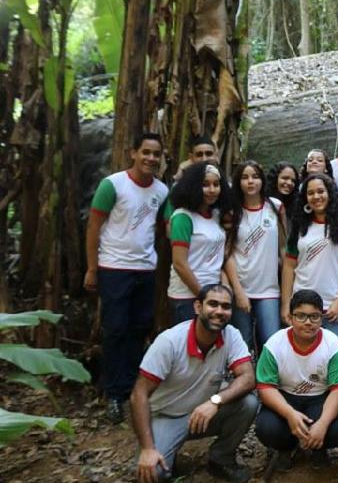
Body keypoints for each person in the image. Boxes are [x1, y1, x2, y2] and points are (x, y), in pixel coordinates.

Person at [131, 284, 257, 483]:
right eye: (213, 304)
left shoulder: (231, 336)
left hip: (203, 412)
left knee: (249, 404)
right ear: (198, 307)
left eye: (226, 306)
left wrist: (215, 401)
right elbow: (139, 394)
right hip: (166, 416)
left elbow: (248, 378)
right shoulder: (170, 342)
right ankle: (161, 453)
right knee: (153, 475)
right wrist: (147, 448)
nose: (219, 311)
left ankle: (221, 458)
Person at [84, 133, 169, 423]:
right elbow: (94, 227)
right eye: (145, 152)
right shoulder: (113, 185)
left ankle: (135, 388)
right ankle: (114, 394)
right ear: (133, 152)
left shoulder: (161, 190)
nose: (151, 158)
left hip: (145, 270)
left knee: (139, 328)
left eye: (156, 154)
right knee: (116, 330)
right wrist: (92, 268)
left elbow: (160, 227)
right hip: (114, 268)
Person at [256, 289, 338, 467]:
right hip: (286, 397)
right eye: (301, 316)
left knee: (337, 428)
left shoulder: (333, 345)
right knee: (266, 427)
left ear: (321, 318)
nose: (308, 323)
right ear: (290, 318)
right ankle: (285, 447)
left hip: (320, 399)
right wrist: (289, 413)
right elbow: (265, 387)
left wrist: (322, 423)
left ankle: (318, 448)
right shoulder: (274, 344)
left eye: (314, 316)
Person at [281, 174, 338, 345]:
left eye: (321, 191)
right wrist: (286, 304)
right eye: (310, 193)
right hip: (302, 305)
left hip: (335, 304)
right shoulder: (299, 227)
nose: (316, 196)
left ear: (330, 193)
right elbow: (289, 266)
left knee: (335, 355)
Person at [225, 160, 286, 351]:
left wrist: (287, 289)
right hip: (241, 287)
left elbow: (284, 249)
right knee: (243, 344)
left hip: (269, 289)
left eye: (255, 177)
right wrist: (238, 292)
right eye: (245, 177)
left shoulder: (275, 206)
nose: (250, 182)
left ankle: (267, 381)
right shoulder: (232, 211)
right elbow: (227, 254)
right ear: (238, 182)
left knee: (272, 342)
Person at [168, 162, 230, 324]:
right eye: (205, 185)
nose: (212, 190)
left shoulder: (216, 215)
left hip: (213, 295)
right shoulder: (183, 217)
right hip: (187, 297)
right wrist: (203, 295)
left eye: (216, 184)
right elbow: (179, 263)